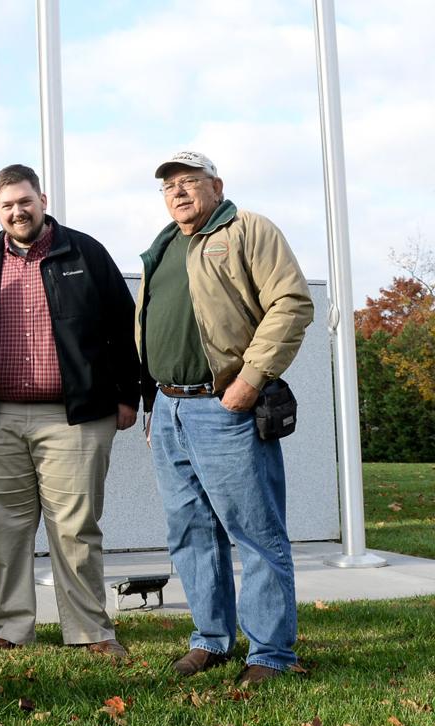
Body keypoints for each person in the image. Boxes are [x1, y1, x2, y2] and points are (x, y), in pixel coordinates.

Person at [0, 164, 140, 656]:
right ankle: (11, 628)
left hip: (74, 417)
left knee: (76, 528)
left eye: (24, 201)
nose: (17, 211)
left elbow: (123, 322)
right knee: (3, 531)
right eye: (7, 205)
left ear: (42, 199)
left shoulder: (85, 253)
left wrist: (128, 394)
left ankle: (91, 630)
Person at [137, 151, 313, 686]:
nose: (178, 193)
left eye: (188, 182)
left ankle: (270, 653)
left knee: (255, 532)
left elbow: (291, 303)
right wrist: (154, 404)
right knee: (190, 530)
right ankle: (211, 640)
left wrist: (250, 379)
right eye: (169, 186)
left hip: (224, 406)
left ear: (217, 185)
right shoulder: (165, 244)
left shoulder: (247, 229)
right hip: (170, 408)